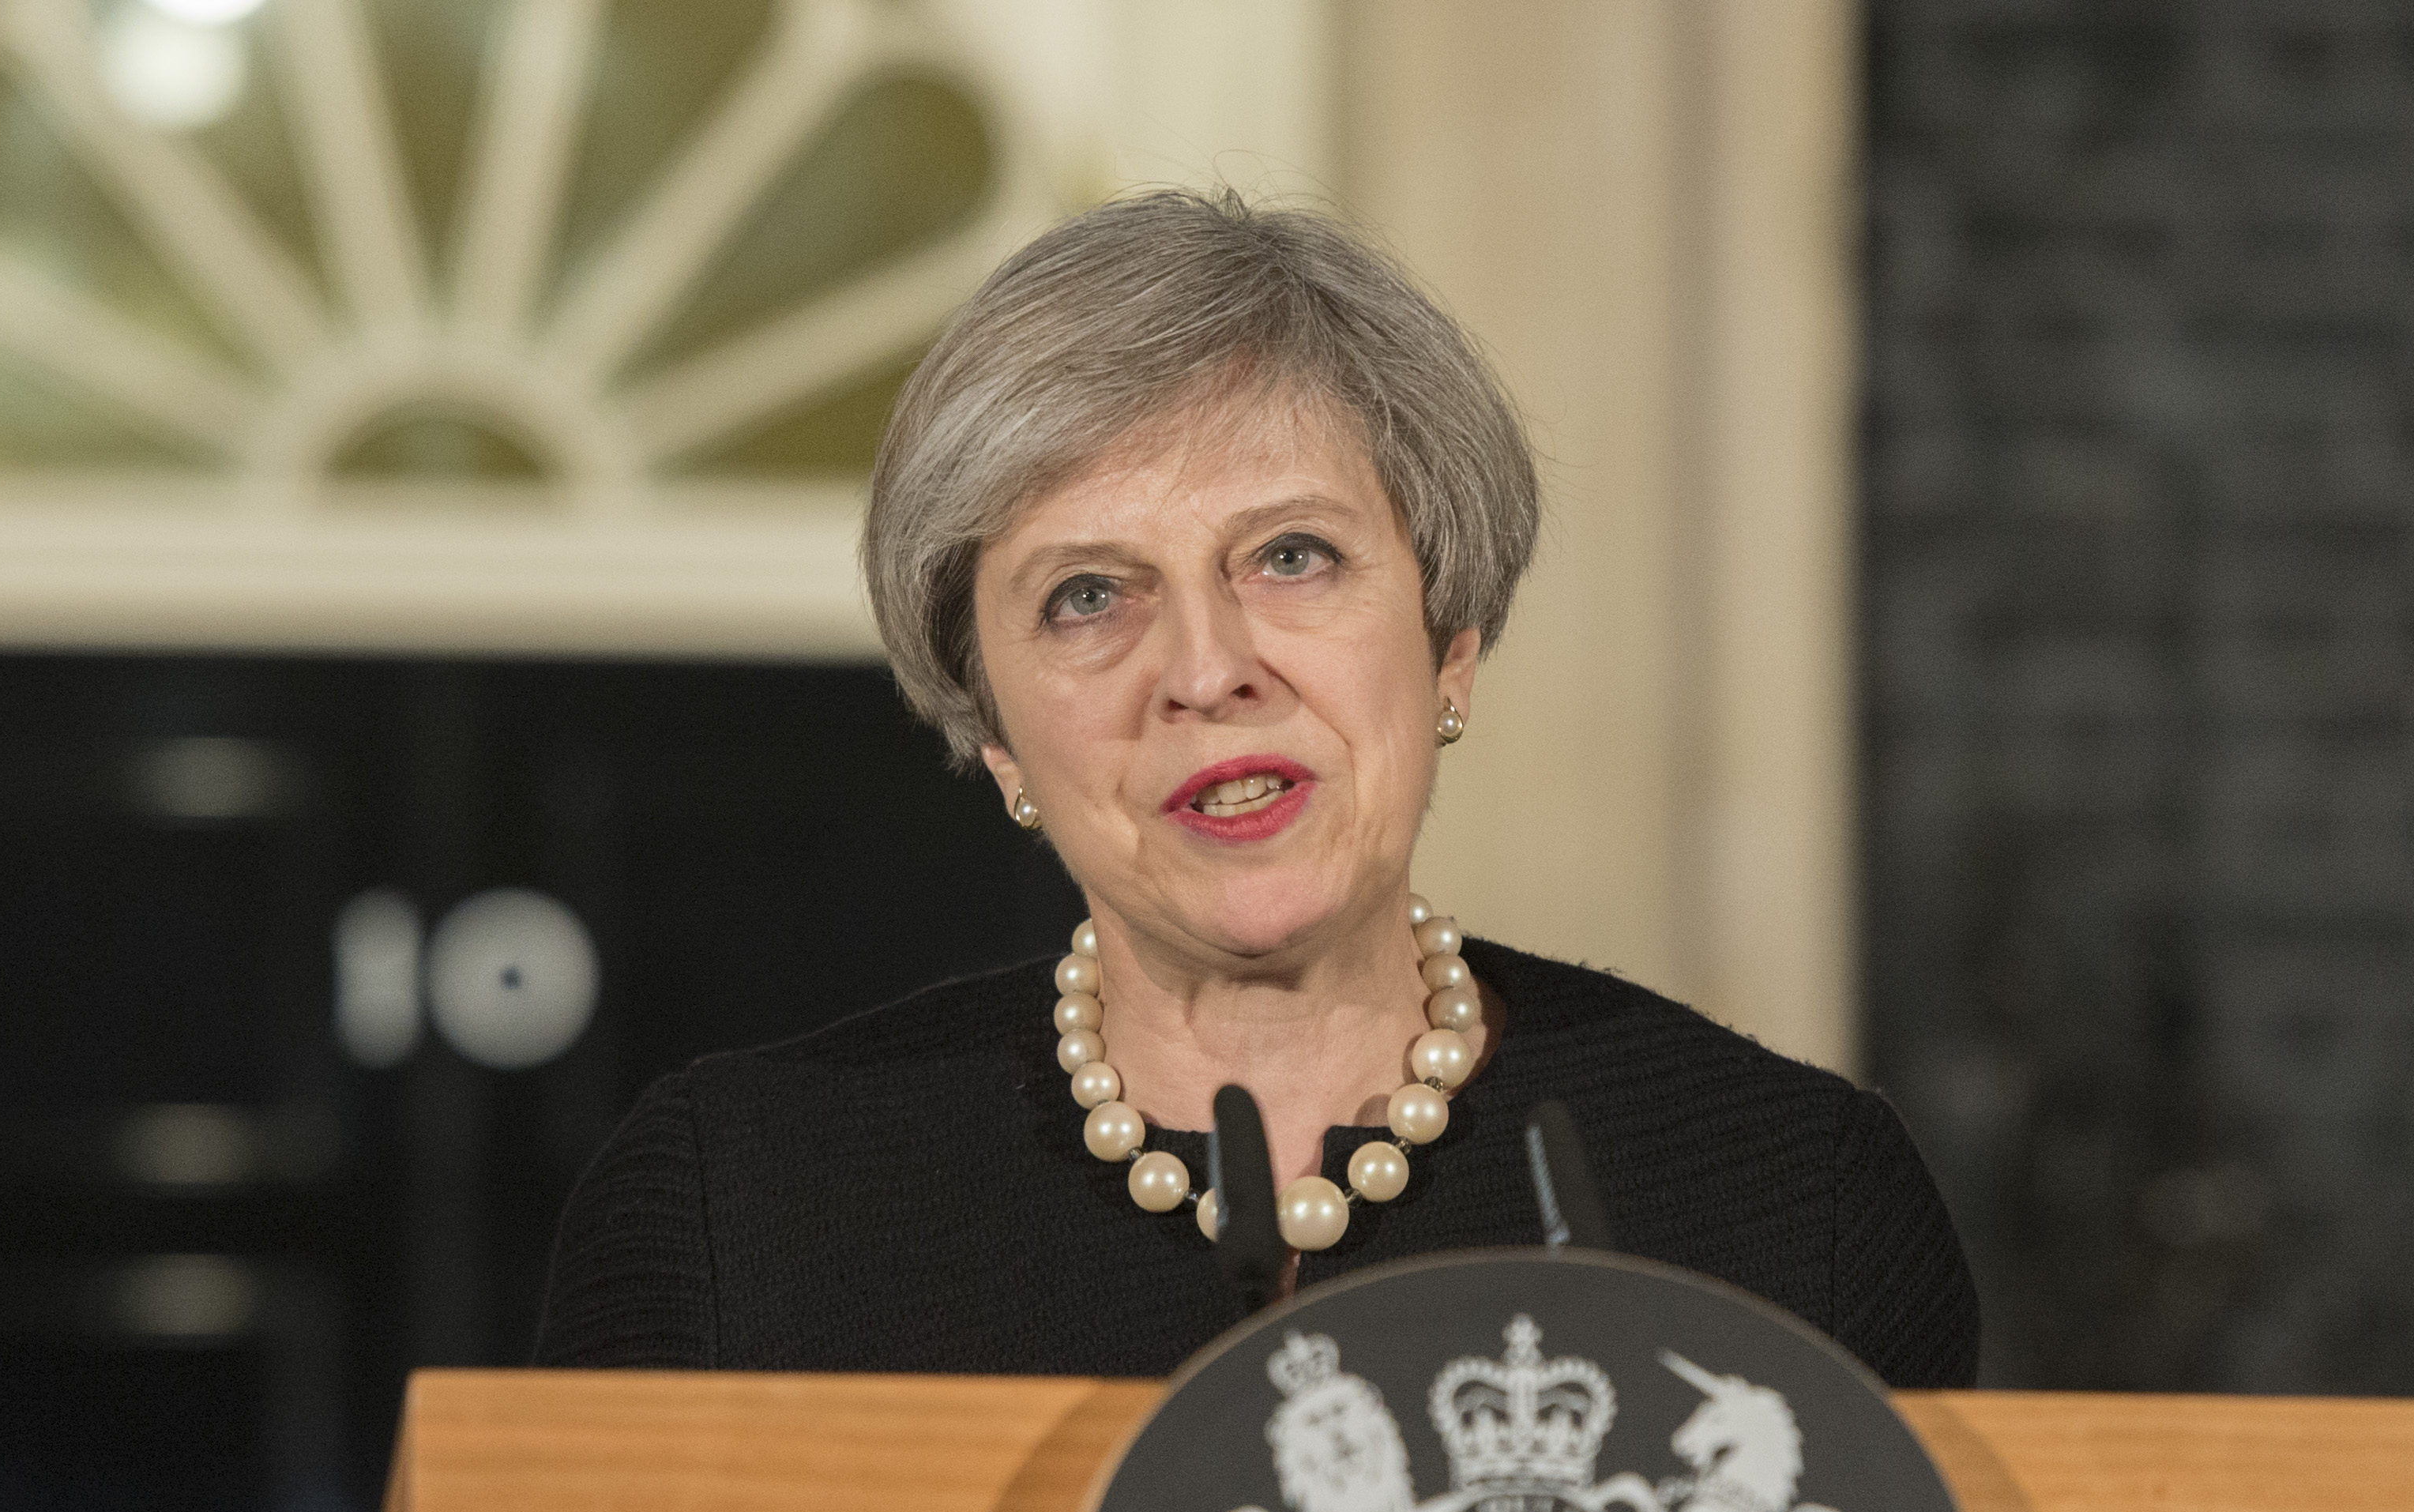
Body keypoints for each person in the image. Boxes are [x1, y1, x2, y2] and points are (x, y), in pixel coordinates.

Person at [536, 190, 1976, 1386]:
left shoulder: (1796, 1200)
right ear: (991, 732)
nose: (1206, 667)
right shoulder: (734, 1206)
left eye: (1291, 556)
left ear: (1449, 641)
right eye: (1088, 594)